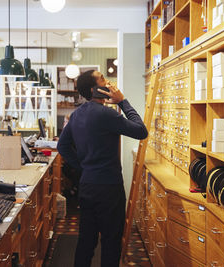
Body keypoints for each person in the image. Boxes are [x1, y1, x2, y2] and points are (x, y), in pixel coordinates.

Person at [57, 70, 148, 267]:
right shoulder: (106, 114)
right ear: (94, 88)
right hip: (109, 187)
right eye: (103, 79)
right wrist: (122, 101)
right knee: (111, 240)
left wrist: (82, 166)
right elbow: (141, 131)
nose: (108, 82)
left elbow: (62, 146)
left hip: (87, 185)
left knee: (86, 239)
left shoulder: (76, 115)